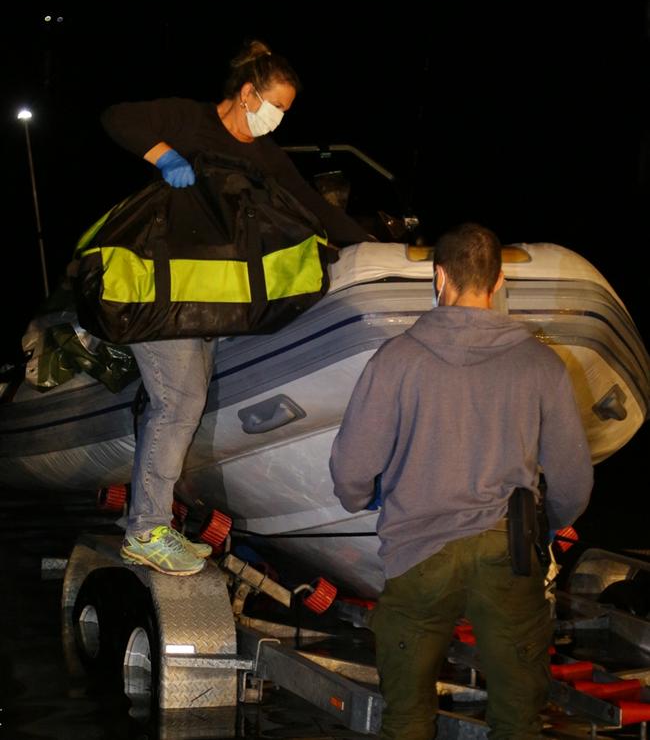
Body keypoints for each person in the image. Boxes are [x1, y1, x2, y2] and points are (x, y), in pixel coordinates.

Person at [101, 39, 371, 576]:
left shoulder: (265, 156)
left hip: (212, 300)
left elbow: (313, 207)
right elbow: (116, 118)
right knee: (179, 404)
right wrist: (163, 154)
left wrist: (368, 245)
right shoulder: (187, 119)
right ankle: (145, 530)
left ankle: (148, 519)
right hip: (161, 295)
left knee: (185, 404)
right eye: (276, 106)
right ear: (248, 94)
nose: (278, 119)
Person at [329, 222, 594, 740]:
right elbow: (572, 482)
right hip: (507, 554)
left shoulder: (396, 359)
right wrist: (543, 527)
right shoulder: (541, 364)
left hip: (417, 554)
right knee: (518, 720)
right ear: (497, 285)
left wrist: (362, 500)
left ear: (439, 276)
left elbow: (351, 470)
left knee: (406, 718)